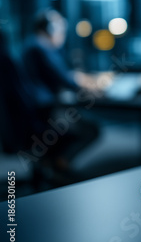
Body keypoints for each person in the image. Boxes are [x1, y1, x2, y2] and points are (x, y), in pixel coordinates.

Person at [22, 9, 100, 170]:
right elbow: (64, 78)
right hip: (44, 110)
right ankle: (60, 162)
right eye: (60, 28)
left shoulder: (32, 45)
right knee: (91, 129)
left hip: (36, 109)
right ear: (50, 29)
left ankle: (52, 164)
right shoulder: (40, 47)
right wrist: (90, 83)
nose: (62, 33)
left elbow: (60, 74)